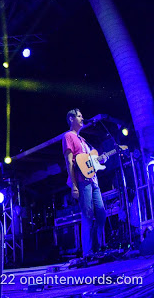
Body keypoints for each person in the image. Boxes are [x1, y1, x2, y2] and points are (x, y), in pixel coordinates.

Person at [62, 108, 106, 256]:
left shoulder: (84, 140)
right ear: (71, 119)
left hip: (94, 181)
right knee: (87, 215)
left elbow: (91, 161)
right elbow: (69, 162)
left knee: (101, 213)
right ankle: (88, 252)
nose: (82, 118)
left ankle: (100, 246)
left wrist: (102, 159)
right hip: (82, 181)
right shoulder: (68, 136)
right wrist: (74, 185)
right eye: (79, 116)